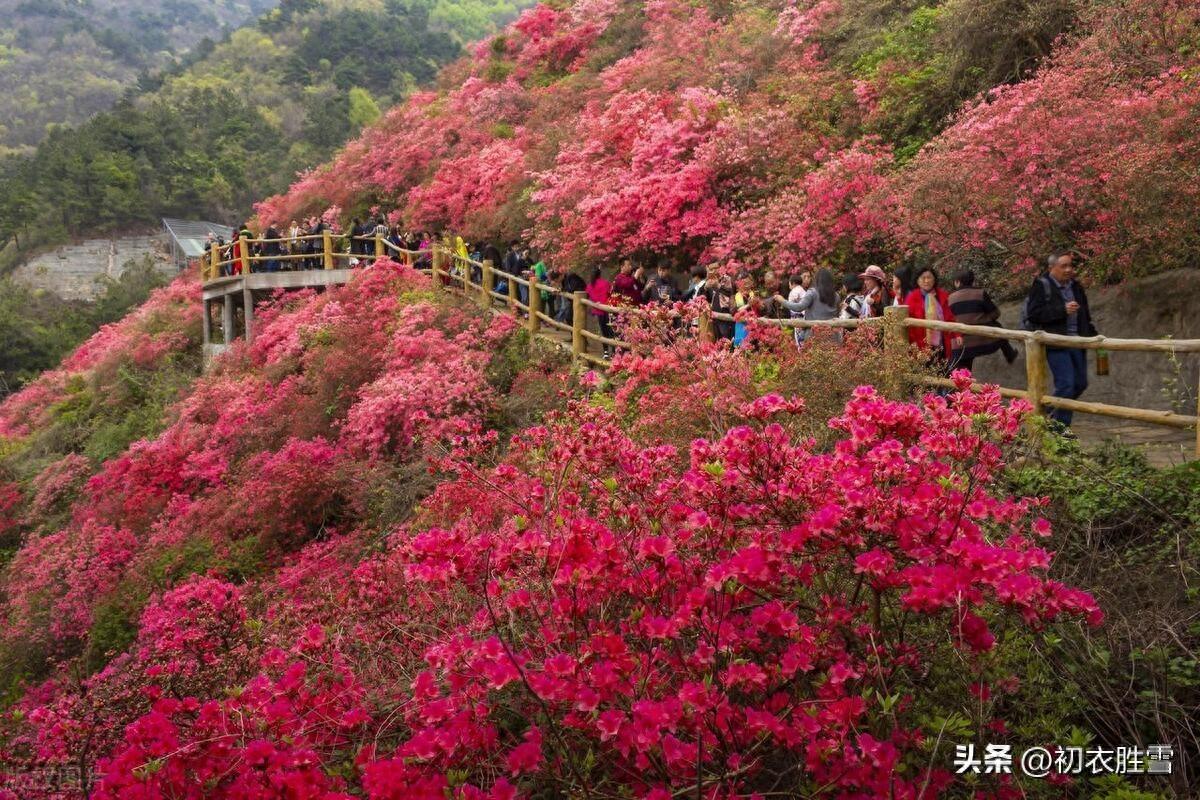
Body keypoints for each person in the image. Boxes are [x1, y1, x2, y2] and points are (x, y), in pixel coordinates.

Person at [1026, 252, 1097, 429]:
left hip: (1077, 341)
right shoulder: (1042, 286)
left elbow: (1085, 315)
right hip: (1056, 343)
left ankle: (1049, 410)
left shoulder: (1076, 287)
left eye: (1070, 266)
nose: (1068, 270)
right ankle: (1060, 428)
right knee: (1066, 384)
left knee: (1080, 383)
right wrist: (1062, 310)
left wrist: (1094, 336)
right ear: (1051, 268)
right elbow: (1034, 314)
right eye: (1063, 266)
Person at [947, 269, 1018, 373]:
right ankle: (1009, 354)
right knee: (999, 328)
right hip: (983, 340)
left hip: (960, 345)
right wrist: (984, 319)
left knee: (963, 371)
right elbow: (996, 313)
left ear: (957, 282)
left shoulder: (950, 298)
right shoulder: (980, 293)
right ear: (972, 281)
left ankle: (964, 386)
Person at [904, 267, 957, 369]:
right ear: (917, 280)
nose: (926, 281)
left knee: (942, 372)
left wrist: (957, 334)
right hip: (920, 344)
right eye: (923, 278)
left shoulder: (942, 296)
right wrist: (912, 344)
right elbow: (909, 324)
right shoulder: (912, 298)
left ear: (934, 279)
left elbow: (949, 317)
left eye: (929, 277)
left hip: (941, 343)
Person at [775, 268, 838, 346]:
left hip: (814, 335)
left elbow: (799, 307)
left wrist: (782, 301)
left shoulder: (812, 292)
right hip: (833, 336)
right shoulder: (836, 296)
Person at [586, 267, 615, 358]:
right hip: (607, 310)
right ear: (600, 274)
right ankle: (613, 352)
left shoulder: (590, 286)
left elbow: (587, 296)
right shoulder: (605, 283)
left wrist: (594, 303)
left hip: (599, 311)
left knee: (604, 332)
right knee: (611, 331)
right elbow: (610, 293)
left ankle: (606, 352)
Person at [703, 271, 736, 341]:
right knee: (717, 339)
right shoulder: (710, 279)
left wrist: (718, 285)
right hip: (714, 314)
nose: (711, 271)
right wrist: (705, 288)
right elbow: (707, 297)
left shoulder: (726, 278)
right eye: (710, 269)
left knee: (725, 338)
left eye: (714, 269)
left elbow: (729, 293)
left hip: (724, 314)